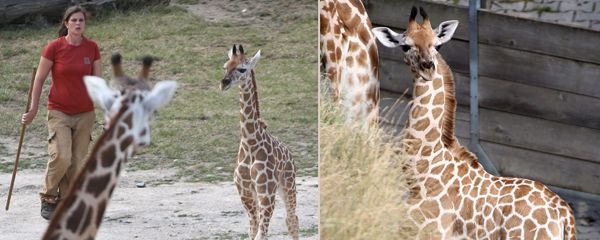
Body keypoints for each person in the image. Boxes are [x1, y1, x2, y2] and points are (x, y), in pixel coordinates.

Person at [21, 5, 101, 220]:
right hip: (59, 111)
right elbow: (39, 78)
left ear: (84, 24)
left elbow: (98, 82)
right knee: (62, 156)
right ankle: (48, 197)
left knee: (76, 160)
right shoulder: (54, 47)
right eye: (73, 20)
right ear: (66, 23)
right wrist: (33, 108)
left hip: (85, 113)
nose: (78, 23)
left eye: (81, 20)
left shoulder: (92, 48)